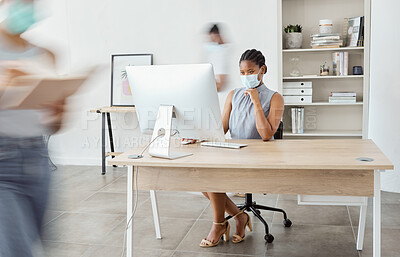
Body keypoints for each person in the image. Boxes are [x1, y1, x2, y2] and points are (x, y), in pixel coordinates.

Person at [0, 0, 66, 256]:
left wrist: (60, 110)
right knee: (17, 250)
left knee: (30, 244)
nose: (27, 6)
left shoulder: (45, 55)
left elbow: (55, 126)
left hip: (37, 161)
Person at [200, 49, 284, 247]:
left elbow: (266, 134)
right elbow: (222, 129)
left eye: (250, 71)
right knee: (203, 178)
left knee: (212, 180)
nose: (246, 76)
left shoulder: (275, 98)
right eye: (242, 72)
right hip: (235, 155)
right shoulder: (233, 95)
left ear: (262, 70)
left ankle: (218, 224)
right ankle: (239, 217)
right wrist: (198, 134)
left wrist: (255, 101)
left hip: (260, 160)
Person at [203, 24, 230, 92]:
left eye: (213, 39)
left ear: (218, 36)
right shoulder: (213, 53)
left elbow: (221, 84)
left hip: (222, 92)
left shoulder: (223, 53)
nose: (211, 42)